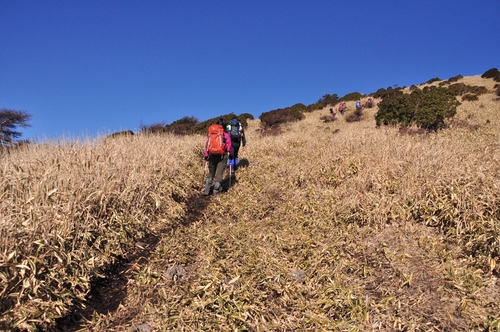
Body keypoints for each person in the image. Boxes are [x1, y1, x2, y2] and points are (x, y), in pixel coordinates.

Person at [204, 118, 232, 195]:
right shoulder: (225, 134)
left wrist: (206, 155)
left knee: (211, 173)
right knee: (219, 174)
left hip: (212, 155)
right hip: (222, 156)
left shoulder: (211, 133)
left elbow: (207, 144)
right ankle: (215, 191)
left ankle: (206, 189)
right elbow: (229, 146)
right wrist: (231, 154)